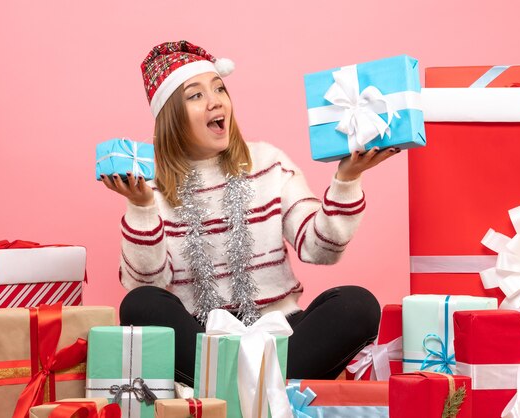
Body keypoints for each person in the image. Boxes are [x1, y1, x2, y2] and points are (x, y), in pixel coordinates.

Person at [101, 40, 400, 387]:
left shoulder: (268, 162)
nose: (215, 101)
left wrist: (347, 179)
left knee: (357, 305)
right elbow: (147, 285)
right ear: (171, 117)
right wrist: (141, 208)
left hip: (282, 336)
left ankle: (230, 393)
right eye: (195, 95)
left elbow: (320, 249)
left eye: (219, 89)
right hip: (202, 342)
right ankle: (265, 391)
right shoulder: (149, 185)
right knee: (140, 304)